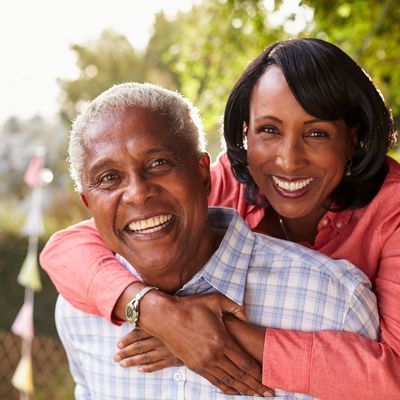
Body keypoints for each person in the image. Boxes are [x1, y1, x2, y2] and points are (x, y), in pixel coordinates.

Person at [40, 38, 400, 399]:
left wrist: (210, 337)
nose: (289, 161)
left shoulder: (390, 214)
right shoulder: (234, 178)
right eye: (269, 130)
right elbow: (68, 248)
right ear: (245, 133)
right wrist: (157, 313)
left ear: (353, 138)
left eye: (317, 133)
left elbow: (394, 377)